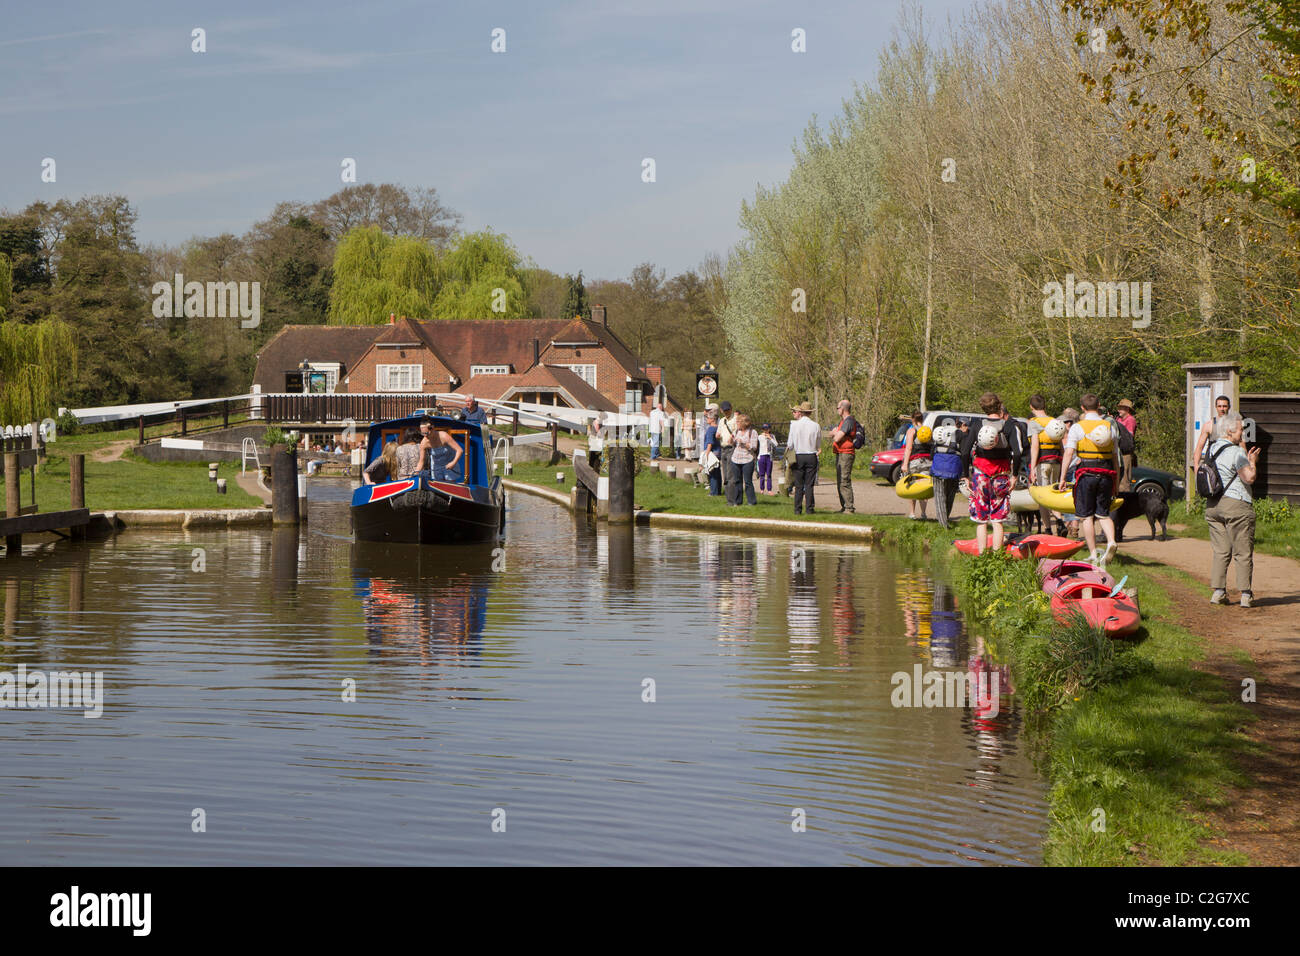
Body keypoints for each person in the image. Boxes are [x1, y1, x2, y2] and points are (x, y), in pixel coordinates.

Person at [1203, 412, 1260, 607]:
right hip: (1236, 505)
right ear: (1229, 430)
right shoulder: (1236, 453)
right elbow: (1249, 478)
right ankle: (1245, 594)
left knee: (1221, 551)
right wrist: (1252, 461)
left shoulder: (1211, 449)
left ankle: (1218, 592)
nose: (1242, 434)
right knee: (1243, 551)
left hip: (1213, 507)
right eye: (1240, 429)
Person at [1058, 393, 1120, 564]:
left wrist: (1063, 477)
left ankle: (1093, 553)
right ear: (1099, 405)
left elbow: (1069, 453)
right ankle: (1111, 541)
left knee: (1086, 517)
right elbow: (1115, 457)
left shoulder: (1078, 428)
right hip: (1107, 473)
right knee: (1103, 514)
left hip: (1086, 473)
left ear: (1082, 408)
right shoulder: (1110, 427)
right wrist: (1117, 481)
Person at [958, 393, 1024, 554]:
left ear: (983, 407)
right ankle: (996, 556)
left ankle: (982, 555)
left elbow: (965, 452)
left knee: (981, 519)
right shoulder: (1009, 426)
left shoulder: (977, 425)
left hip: (980, 475)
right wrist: (1014, 475)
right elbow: (1018, 452)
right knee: (998, 518)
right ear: (999, 405)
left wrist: (966, 475)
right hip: (1001, 476)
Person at [1027, 394, 1066, 535]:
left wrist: (1032, 468)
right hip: (1056, 461)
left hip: (1042, 462)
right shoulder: (1054, 421)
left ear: (1031, 407)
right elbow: (1061, 445)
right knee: (1054, 494)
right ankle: (1060, 522)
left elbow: (1035, 446)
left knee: (1043, 497)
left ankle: (1048, 529)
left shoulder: (1033, 423)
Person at [788, 400, 821, 515]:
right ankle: (809, 509)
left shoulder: (794, 425)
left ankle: (797, 509)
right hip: (811, 455)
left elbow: (790, 444)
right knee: (809, 484)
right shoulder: (816, 426)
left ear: (801, 412)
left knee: (798, 484)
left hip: (798, 455)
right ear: (810, 413)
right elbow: (818, 445)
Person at [929, 421, 964, 529]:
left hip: (938, 466)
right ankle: (946, 518)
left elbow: (931, 453)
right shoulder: (959, 434)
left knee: (939, 495)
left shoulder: (938, 433)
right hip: (954, 467)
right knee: (950, 494)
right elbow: (964, 451)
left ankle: (943, 524)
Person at [1193, 394, 1243, 464]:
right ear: (1216, 407)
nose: (1222, 409)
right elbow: (1199, 448)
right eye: (1219, 406)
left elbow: (1242, 445)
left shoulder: (1236, 425)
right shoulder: (1209, 425)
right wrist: (1196, 466)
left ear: (1229, 407)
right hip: (1213, 463)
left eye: (1224, 406)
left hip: (1230, 462)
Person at [829, 399, 858, 514]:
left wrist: (835, 432)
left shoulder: (848, 421)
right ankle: (844, 506)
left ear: (843, 409)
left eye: (838, 408)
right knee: (840, 480)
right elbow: (834, 434)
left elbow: (837, 437)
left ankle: (849, 507)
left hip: (846, 453)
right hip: (840, 452)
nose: (837, 410)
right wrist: (835, 432)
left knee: (844, 480)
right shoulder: (843, 421)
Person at [901, 411, 931, 520]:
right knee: (923, 487)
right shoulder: (927, 431)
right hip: (927, 462)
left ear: (913, 419)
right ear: (922, 419)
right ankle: (923, 513)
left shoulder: (911, 431)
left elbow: (908, 448)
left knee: (912, 487)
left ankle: (912, 513)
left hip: (914, 462)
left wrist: (905, 464)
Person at [730, 414, 759, 505]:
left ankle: (751, 502)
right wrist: (731, 440)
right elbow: (732, 444)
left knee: (748, 482)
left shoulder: (752, 432)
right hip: (735, 459)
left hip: (747, 459)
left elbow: (754, 447)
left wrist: (743, 443)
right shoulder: (736, 431)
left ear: (744, 423)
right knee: (737, 481)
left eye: (738, 421)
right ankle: (737, 502)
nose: (737, 423)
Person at [717, 401, 739, 505]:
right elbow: (719, 432)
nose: (726, 412)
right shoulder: (721, 421)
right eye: (724, 410)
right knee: (725, 476)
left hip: (732, 448)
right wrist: (717, 435)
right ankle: (728, 500)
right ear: (721, 411)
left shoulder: (735, 420)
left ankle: (732, 501)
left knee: (731, 476)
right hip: (723, 449)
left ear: (731, 408)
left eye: (728, 410)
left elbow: (738, 432)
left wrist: (733, 436)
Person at [701, 409, 722, 496]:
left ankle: (713, 492)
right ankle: (718, 491)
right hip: (718, 452)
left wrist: (707, 454)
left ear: (713, 419)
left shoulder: (710, 429)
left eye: (708, 418)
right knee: (718, 472)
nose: (707, 419)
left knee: (712, 473)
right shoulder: (718, 428)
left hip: (712, 452)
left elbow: (710, 443)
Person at [757, 423, 776, 495]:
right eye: (764, 429)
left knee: (769, 474)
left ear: (769, 429)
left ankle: (769, 490)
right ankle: (762, 489)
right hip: (761, 456)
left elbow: (776, 444)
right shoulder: (760, 437)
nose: (765, 431)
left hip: (769, 456)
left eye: (767, 429)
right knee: (762, 474)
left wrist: (770, 438)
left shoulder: (772, 436)